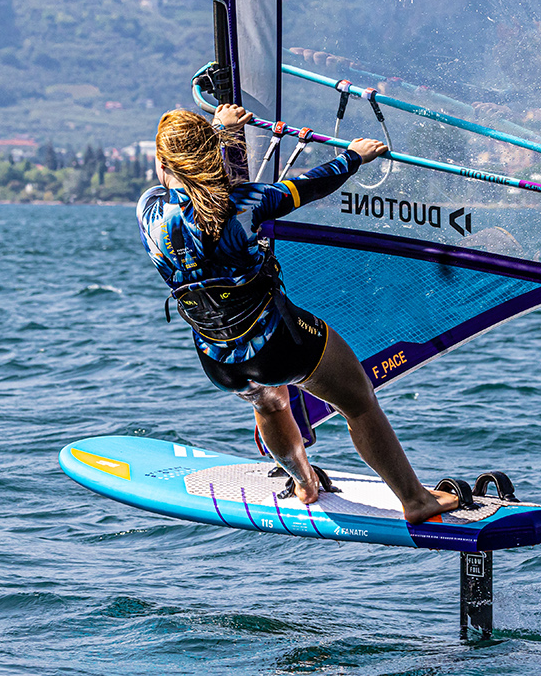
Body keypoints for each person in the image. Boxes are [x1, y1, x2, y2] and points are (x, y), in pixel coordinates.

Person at [137, 105, 460, 524]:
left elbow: (210, 196)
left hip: (218, 360)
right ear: (212, 153)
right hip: (278, 344)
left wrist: (224, 133)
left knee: (270, 404)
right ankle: (416, 500)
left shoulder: (148, 212)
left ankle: (305, 482)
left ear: (162, 164)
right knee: (358, 401)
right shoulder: (247, 204)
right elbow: (307, 186)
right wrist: (354, 157)